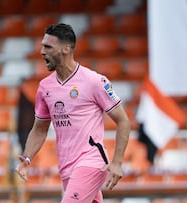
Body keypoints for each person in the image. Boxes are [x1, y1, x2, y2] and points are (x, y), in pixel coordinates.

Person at [15, 23, 131, 203]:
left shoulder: (94, 81)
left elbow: (123, 121)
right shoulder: (45, 87)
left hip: (92, 162)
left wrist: (117, 162)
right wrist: (27, 159)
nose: (41, 52)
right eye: (42, 46)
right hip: (66, 167)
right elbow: (39, 129)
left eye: (48, 46)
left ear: (66, 49)